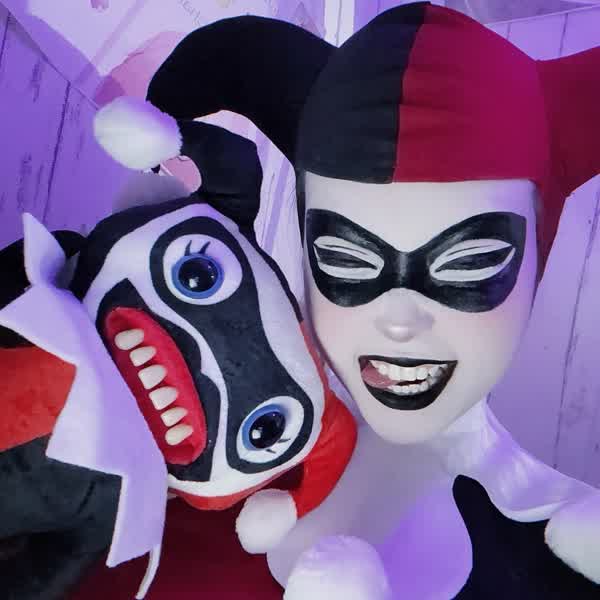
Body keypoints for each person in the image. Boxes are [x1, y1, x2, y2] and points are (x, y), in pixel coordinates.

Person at [105, 3, 600, 597]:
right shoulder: (189, 456)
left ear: (536, 262)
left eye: (469, 263)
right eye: (346, 259)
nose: (399, 320)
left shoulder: (556, 550)